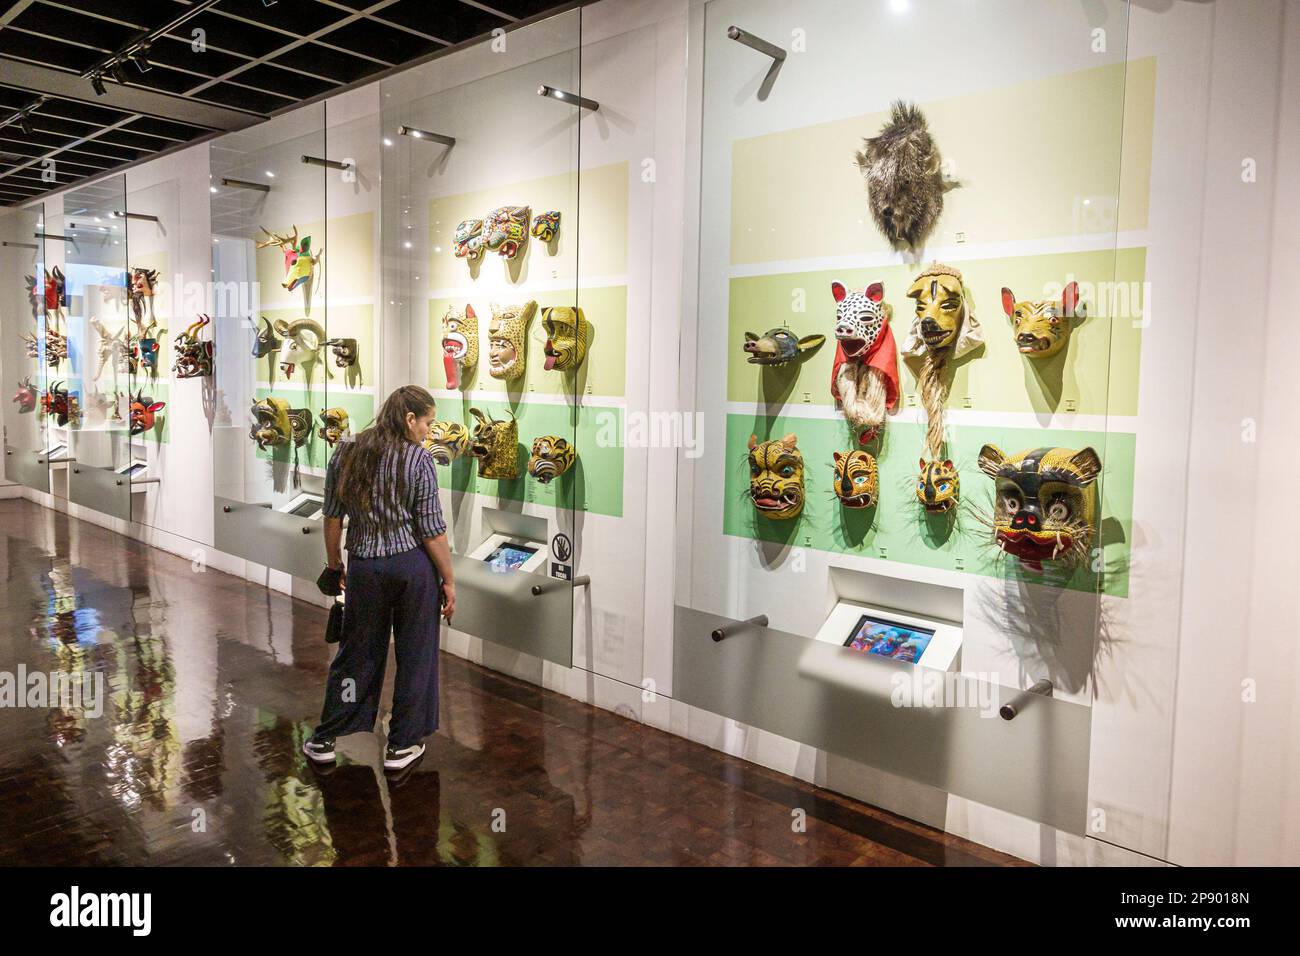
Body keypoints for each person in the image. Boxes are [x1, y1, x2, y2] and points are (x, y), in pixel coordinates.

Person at [303, 385, 456, 771]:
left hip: (366, 569)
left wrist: (334, 563)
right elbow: (432, 532)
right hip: (411, 568)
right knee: (415, 653)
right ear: (409, 419)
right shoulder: (418, 460)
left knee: (357, 652)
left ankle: (325, 737)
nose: (428, 432)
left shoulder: (348, 448)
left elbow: (333, 514)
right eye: (427, 423)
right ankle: (402, 745)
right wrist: (449, 580)